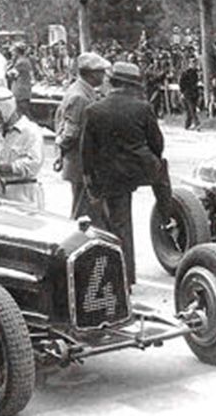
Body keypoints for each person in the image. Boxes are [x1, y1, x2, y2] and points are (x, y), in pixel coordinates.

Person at [80, 62, 170, 287]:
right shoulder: (143, 108)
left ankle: (125, 279)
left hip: (112, 175)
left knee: (121, 225)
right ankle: (167, 214)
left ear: (112, 82)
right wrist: (151, 161)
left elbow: (87, 152)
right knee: (162, 171)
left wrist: (92, 182)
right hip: (142, 168)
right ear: (133, 86)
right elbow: (157, 143)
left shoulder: (94, 110)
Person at [54, 52, 108, 219]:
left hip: (81, 162)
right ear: (91, 74)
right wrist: (60, 151)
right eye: (101, 72)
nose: (104, 76)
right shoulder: (80, 96)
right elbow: (71, 133)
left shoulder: (82, 91)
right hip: (81, 163)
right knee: (83, 213)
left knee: (86, 209)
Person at [0, 88, 45, 208]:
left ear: (6, 107)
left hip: (25, 199)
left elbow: (33, 165)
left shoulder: (30, 132)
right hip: (0, 199)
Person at [8, 42, 35, 117]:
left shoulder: (21, 62)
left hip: (20, 91)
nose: (12, 53)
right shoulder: (24, 60)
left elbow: (11, 74)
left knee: (22, 113)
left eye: (13, 51)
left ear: (17, 52)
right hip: (24, 90)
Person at [178, 57, 202, 130]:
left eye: (195, 63)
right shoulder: (186, 73)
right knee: (192, 109)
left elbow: (196, 83)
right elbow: (181, 83)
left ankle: (187, 125)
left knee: (190, 110)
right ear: (190, 64)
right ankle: (197, 123)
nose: (194, 64)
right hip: (188, 93)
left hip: (194, 93)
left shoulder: (196, 73)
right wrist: (182, 92)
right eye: (193, 63)